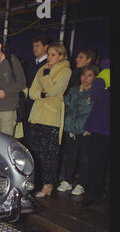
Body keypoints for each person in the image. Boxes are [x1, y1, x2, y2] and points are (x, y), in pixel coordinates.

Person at [28, 42, 72, 198]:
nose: (50, 57)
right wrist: (43, 94)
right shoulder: (42, 69)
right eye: (49, 54)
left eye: (53, 55)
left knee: (49, 153)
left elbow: (54, 90)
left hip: (51, 116)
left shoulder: (65, 71)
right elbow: (32, 92)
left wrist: (46, 78)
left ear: (61, 56)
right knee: (36, 151)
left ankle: (48, 185)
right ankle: (37, 182)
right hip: (37, 114)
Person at [57, 65, 99, 196]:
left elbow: (89, 111)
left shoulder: (95, 93)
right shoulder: (74, 90)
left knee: (84, 158)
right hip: (71, 128)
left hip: (85, 130)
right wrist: (78, 94)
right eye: (83, 75)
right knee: (70, 155)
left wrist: (90, 127)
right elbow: (68, 106)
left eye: (89, 75)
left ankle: (82, 183)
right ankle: (68, 180)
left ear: (95, 77)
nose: (85, 78)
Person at [77, 77, 110, 207]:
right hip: (100, 131)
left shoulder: (102, 86)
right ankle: (94, 194)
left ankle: (94, 194)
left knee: (96, 164)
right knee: (95, 165)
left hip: (102, 131)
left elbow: (97, 93)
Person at [23, 36, 51, 145]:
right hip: (28, 102)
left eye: (37, 46)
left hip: (40, 103)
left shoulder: (48, 66)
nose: (34, 48)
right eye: (33, 46)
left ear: (46, 47)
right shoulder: (30, 64)